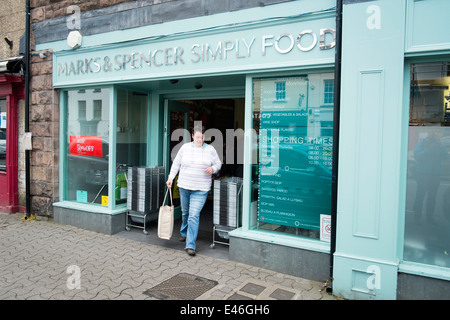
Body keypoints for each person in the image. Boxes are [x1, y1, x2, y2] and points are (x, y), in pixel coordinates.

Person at [166, 125, 222, 256]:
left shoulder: (210, 149)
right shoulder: (185, 148)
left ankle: (190, 245)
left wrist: (213, 169)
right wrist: (170, 178)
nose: (199, 140)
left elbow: (218, 164)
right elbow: (176, 164)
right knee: (185, 212)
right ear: (192, 136)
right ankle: (184, 233)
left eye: (202, 137)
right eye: (197, 137)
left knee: (193, 215)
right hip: (184, 186)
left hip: (201, 189)